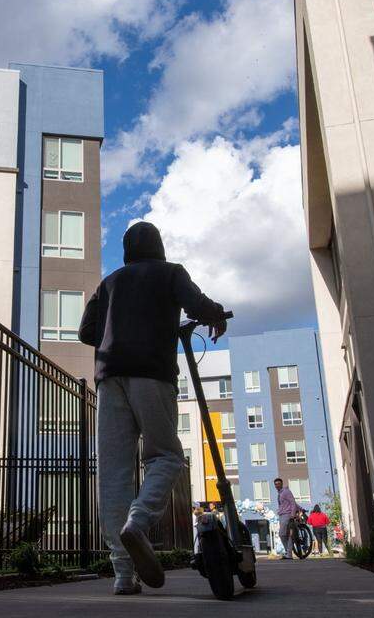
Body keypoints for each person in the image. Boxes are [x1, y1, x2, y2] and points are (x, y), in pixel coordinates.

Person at [79, 221, 226, 596]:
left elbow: (86, 332)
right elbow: (197, 304)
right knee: (165, 457)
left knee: (113, 474)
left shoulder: (109, 282)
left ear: (128, 249)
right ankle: (139, 522)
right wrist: (216, 314)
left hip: (109, 379)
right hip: (152, 375)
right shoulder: (170, 273)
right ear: (159, 245)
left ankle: (123, 576)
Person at [274, 478, 303, 559]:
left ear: (282, 484)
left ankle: (288, 552)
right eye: (275, 484)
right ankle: (289, 554)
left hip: (287, 515)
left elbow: (292, 502)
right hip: (282, 515)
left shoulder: (286, 492)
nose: (277, 485)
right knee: (287, 535)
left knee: (282, 534)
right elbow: (291, 503)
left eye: (278, 484)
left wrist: (292, 514)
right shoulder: (280, 493)